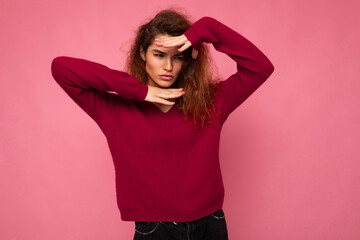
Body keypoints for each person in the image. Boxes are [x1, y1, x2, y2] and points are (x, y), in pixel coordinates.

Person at [51, 8, 274, 240]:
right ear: (142, 53)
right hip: (155, 231)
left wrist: (207, 28)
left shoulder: (212, 101)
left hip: (210, 224)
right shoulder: (113, 109)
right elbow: (61, 68)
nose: (168, 67)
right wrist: (140, 91)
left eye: (177, 57)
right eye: (159, 54)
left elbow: (260, 67)